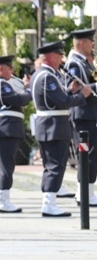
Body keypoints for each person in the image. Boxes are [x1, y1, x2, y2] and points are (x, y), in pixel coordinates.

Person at [31, 41, 91, 217]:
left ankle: (49, 201)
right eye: (58, 55)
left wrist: (69, 90)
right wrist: (82, 95)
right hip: (54, 125)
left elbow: (58, 97)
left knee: (51, 165)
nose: (61, 59)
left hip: (48, 124)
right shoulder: (48, 76)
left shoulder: (40, 74)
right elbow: (62, 102)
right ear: (50, 57)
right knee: (56, 165)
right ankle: (49, 204)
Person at [0, 55, 32, 212]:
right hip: (5, 129)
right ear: (0, 68)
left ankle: (0, 197)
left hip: (4, 129)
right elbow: (17, 100)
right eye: (9, 67)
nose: (12, 71)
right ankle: (3, 200)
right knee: (6, 166)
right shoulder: (0, 84)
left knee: (2, 166)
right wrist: (29, 90)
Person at [64, 28, 97, 207]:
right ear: (82, 43)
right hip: (82, 114)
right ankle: (84, 193)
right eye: (91, 41)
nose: (93, 44)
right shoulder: (74, 63)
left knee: (91, 154)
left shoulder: (86, 63)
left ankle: (86, 192)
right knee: (86, 155)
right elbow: (75, 87)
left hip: (90, 113)